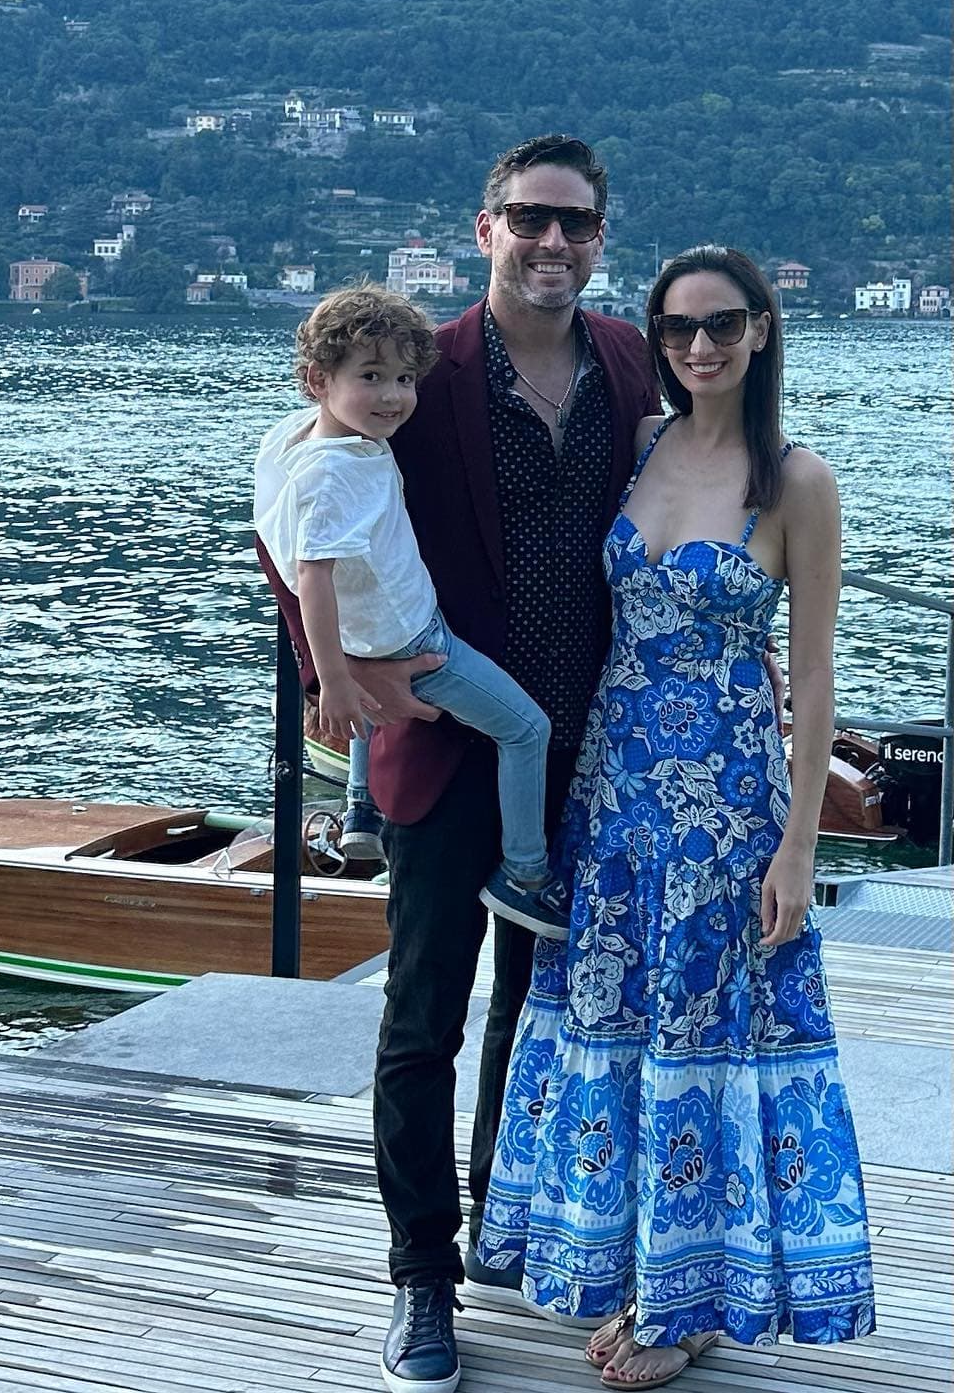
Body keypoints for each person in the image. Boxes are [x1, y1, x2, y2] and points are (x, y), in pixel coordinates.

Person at [255, 135, 662, 1393]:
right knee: (422, 1012)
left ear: (600, 238)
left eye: (576, 224)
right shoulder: (411, 368)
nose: (554, 242)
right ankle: (421, 1277)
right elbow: (288, 505)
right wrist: (332, 676)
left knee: (539, 1010)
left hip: (582, 749)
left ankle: (503, 1224)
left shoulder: (626, 358)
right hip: (440, 742)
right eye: (530, 218)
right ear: (484, 228)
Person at [476, 246, 876, 1386]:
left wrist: (800, 847)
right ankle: (624, 1267)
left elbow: (812, 682)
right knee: (619, 1026)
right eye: (677, 328)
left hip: (728, 804)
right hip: (615, 797)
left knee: (702, 1037)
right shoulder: (640, 443)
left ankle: (687, 1303)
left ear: (761, 332)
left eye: (722, 325)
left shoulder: (793, 480)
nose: (700, 346)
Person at [253, 283, 567, 937]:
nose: (394, 397)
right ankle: (526, 873)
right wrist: (333, 680)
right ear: (318, 379)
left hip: (381, 629)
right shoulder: (335, 475)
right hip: (416, 645)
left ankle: (362, 810)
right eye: (370, 377)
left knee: (379, 710)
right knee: (526, 730)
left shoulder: (299, 439)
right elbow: (313, 576)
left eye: (403, 377)